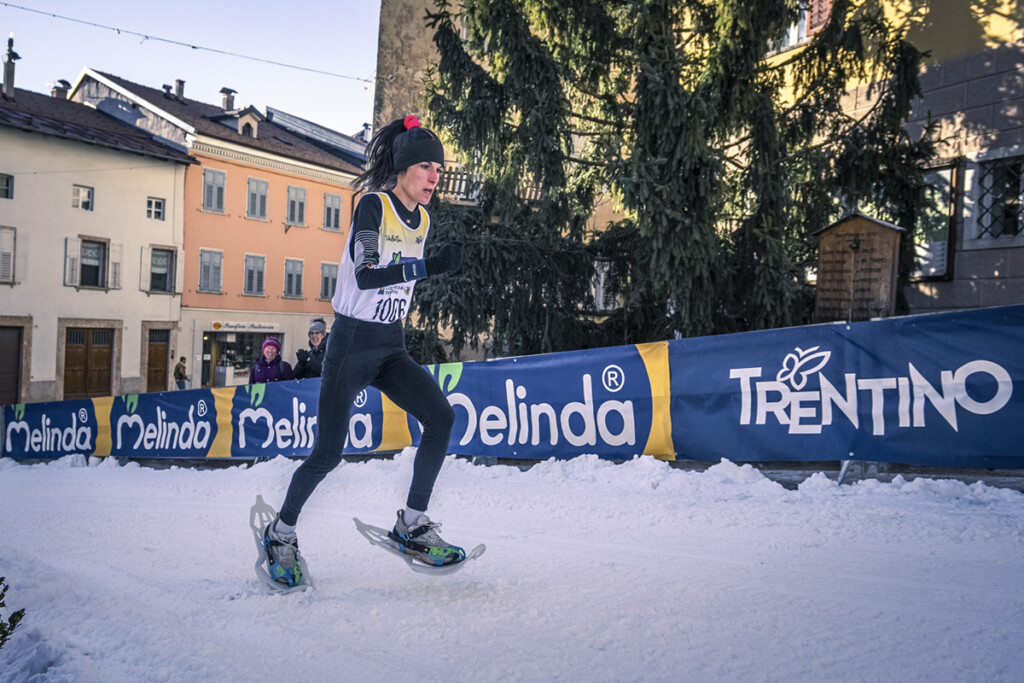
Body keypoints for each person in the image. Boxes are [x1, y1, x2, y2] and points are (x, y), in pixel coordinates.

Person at [262, 115, 464, 586]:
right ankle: (282, 531)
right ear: (404, 169)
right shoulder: (373, 206)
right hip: (351, 344)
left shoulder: (425, 218)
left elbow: (398, 283)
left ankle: (412, 525)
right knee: (328, 453)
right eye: (427, 167)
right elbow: (369, 275)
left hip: (390, 344)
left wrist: (424, 265)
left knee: (441, 418)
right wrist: (429, 266)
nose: (436, 176)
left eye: (439, 168)